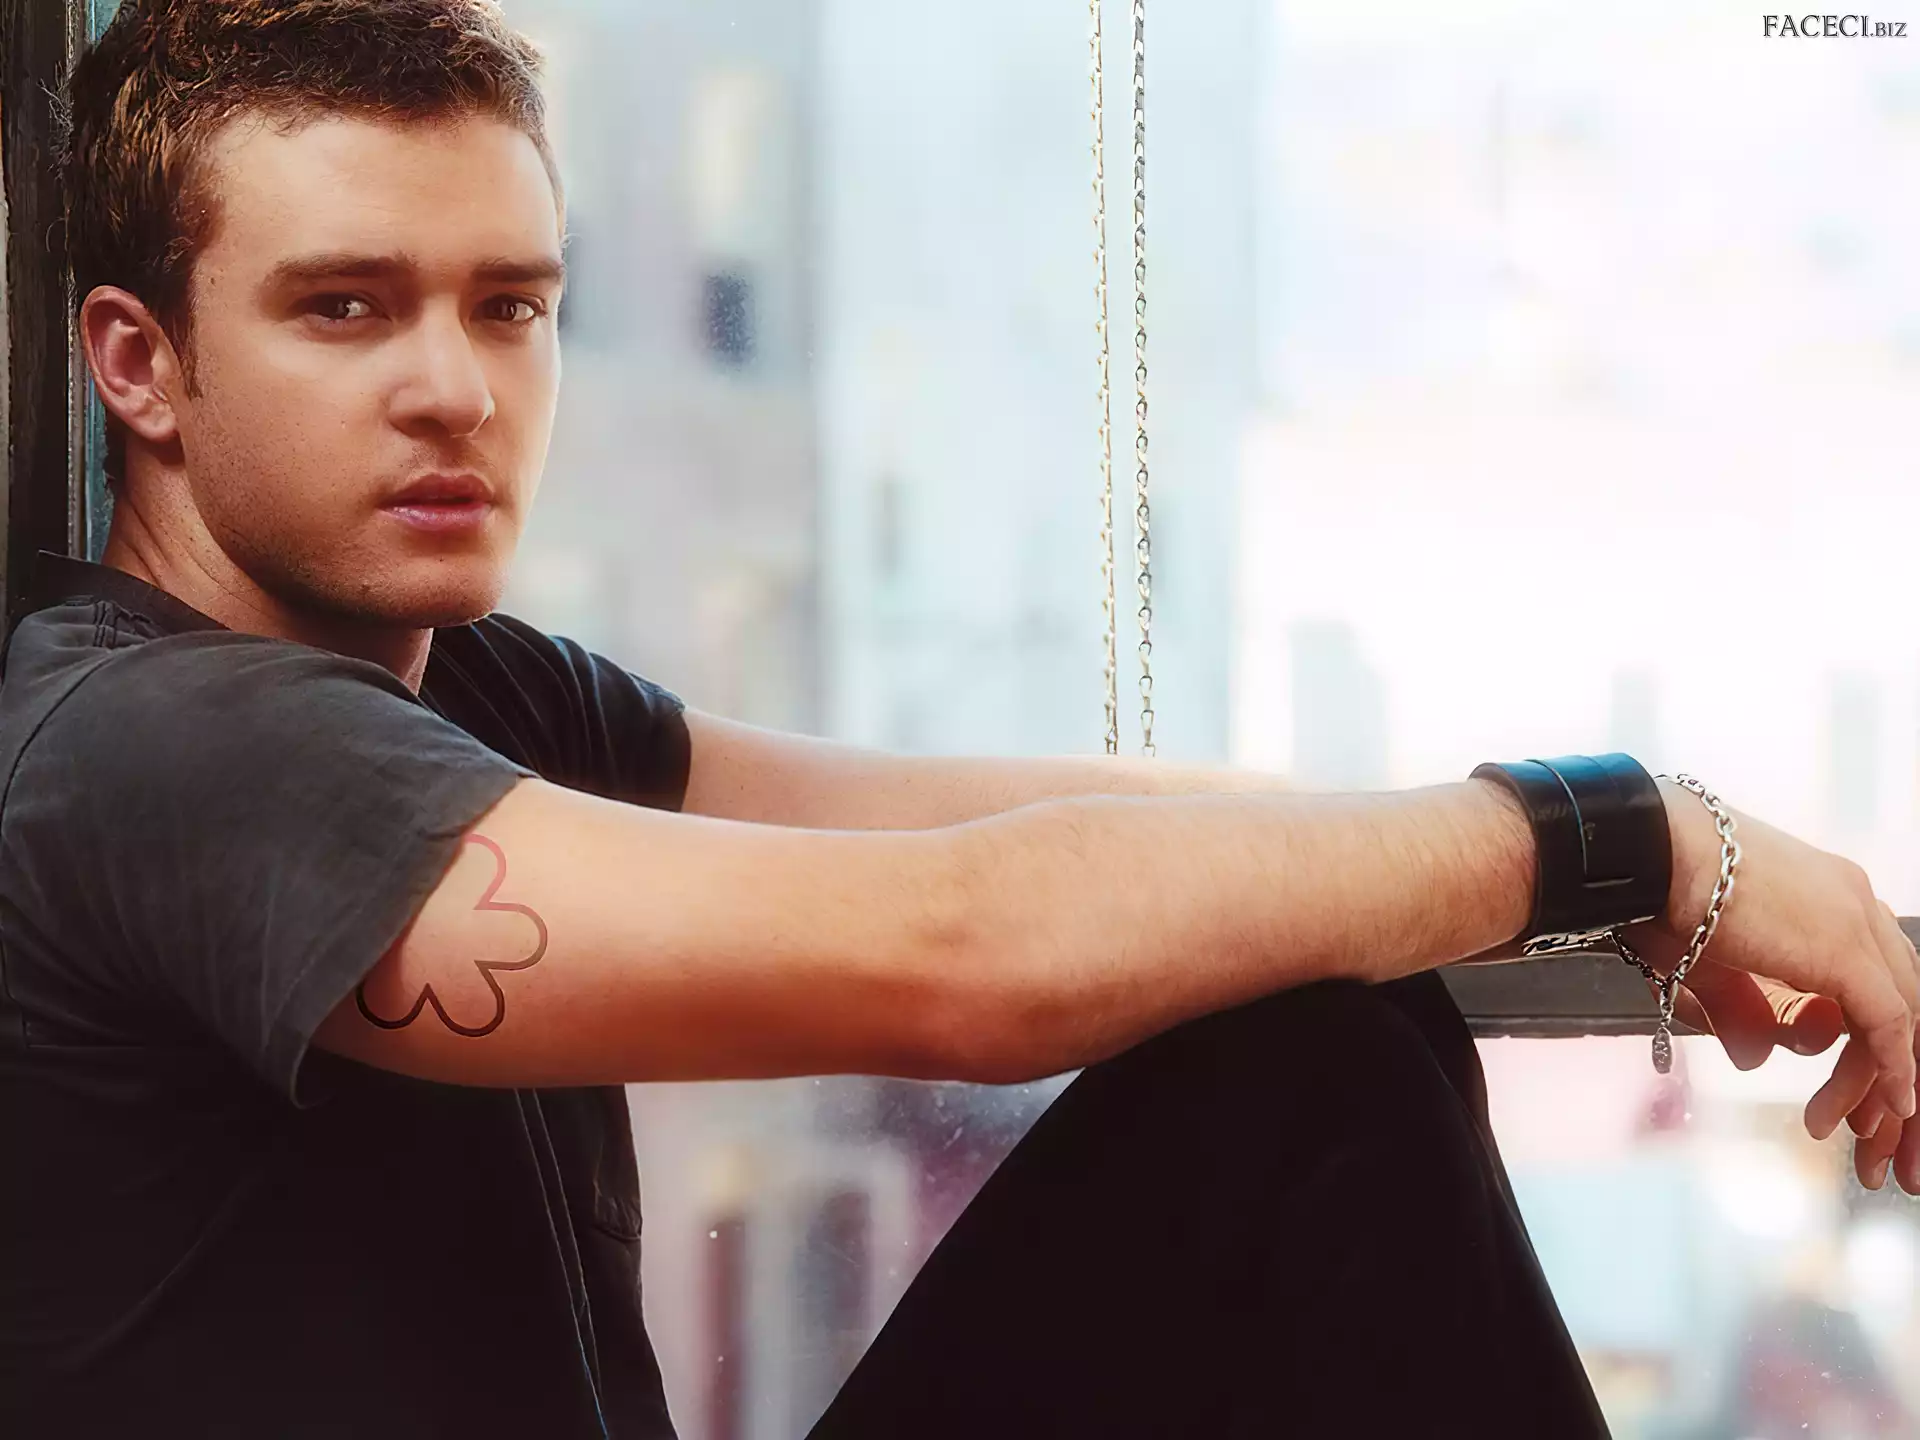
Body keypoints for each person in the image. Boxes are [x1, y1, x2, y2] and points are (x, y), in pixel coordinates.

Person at [1, 2, 1914, 1436]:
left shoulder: (481, 687)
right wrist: (1610, 830)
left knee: (1306, 1041)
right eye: (345, 309)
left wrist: (1605, 874)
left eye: (510, 306)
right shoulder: (154, 747)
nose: (458, 389)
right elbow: (969, 950)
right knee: (1305, 1075)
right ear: (136, 364)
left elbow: (1071, 824)